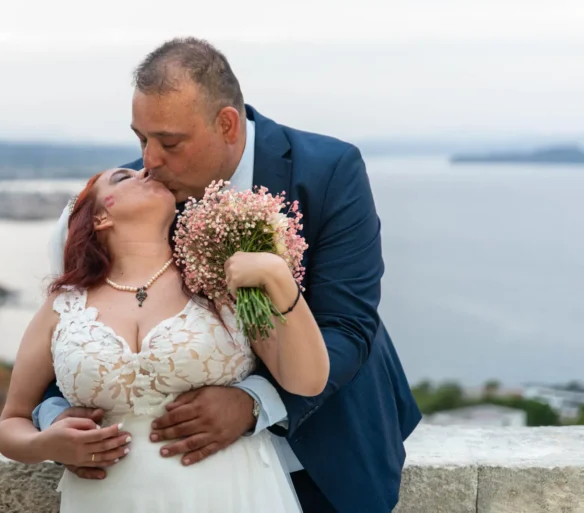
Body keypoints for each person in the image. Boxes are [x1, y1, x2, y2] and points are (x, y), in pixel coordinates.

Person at [34, 37, 422, 512]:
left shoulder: (329, 171)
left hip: (328, 452)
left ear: (226, 125)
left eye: (169, 142)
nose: (149, 162)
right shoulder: (137, 200)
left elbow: (347, 326)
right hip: (174, 484)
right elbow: (79, 326)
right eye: (141, 138)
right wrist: (57, 419)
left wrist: (252, 402)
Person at [0, 166, 330, 512]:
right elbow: (11, 422)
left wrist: (279, 279)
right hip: (106, 500)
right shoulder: (63, 306)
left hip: (229, 494)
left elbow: (308, 380)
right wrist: (47, 445)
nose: (146, 171)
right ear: (100, 218)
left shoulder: (221, 282)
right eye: (123, 177)